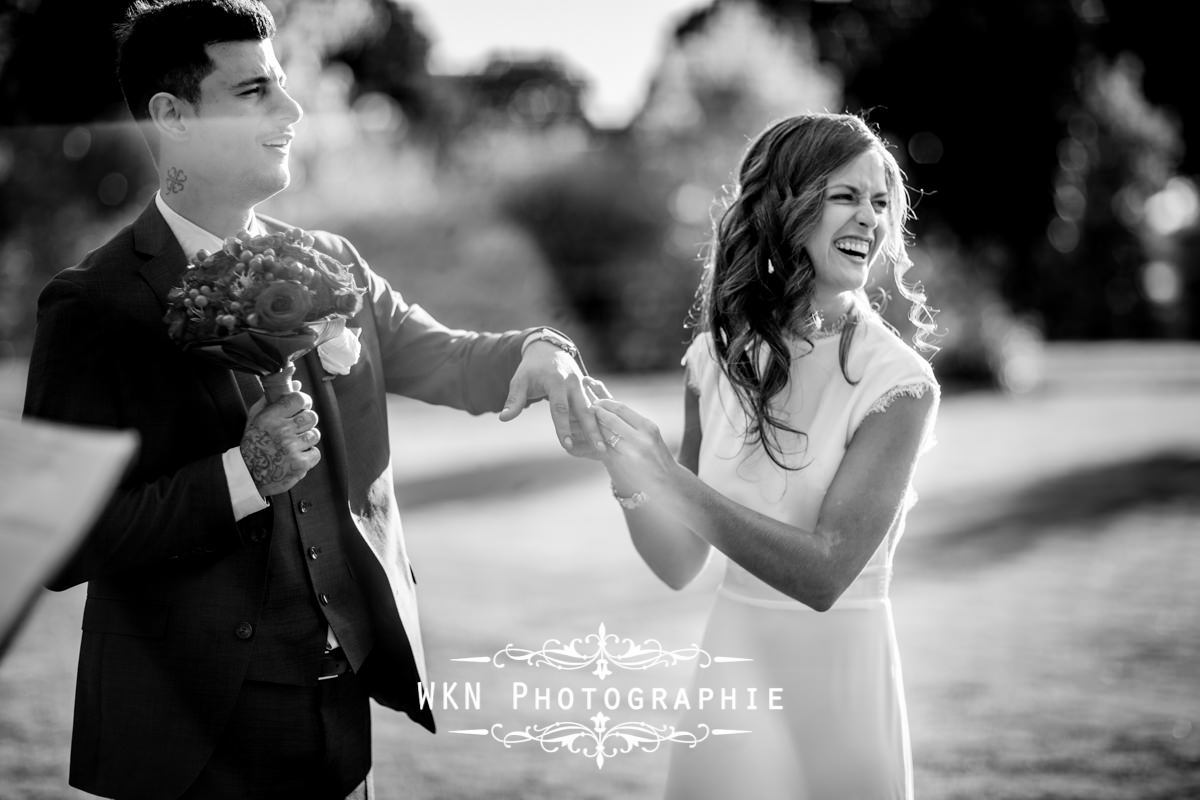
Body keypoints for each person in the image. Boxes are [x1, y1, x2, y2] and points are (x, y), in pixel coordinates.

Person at [21, 1, 606, 798]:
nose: (291, 112)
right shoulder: (91, 305)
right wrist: (241, 474)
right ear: (174, 117)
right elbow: (60, 542)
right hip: (181, 739)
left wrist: (540, 352)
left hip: (336, 717)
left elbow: (443, 357)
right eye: (255, 90)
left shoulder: (331, 265)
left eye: (285, 87)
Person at [589, 112, 940, 799]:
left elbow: (825, 573)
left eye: (879, 201)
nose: (870, 218)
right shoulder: (714, 360)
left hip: (840, 685)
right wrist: (626, 472)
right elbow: (680, 564)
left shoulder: (898, 385)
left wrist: (671, 479)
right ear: (787, 205)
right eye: (846, 196)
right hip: (732, 666)